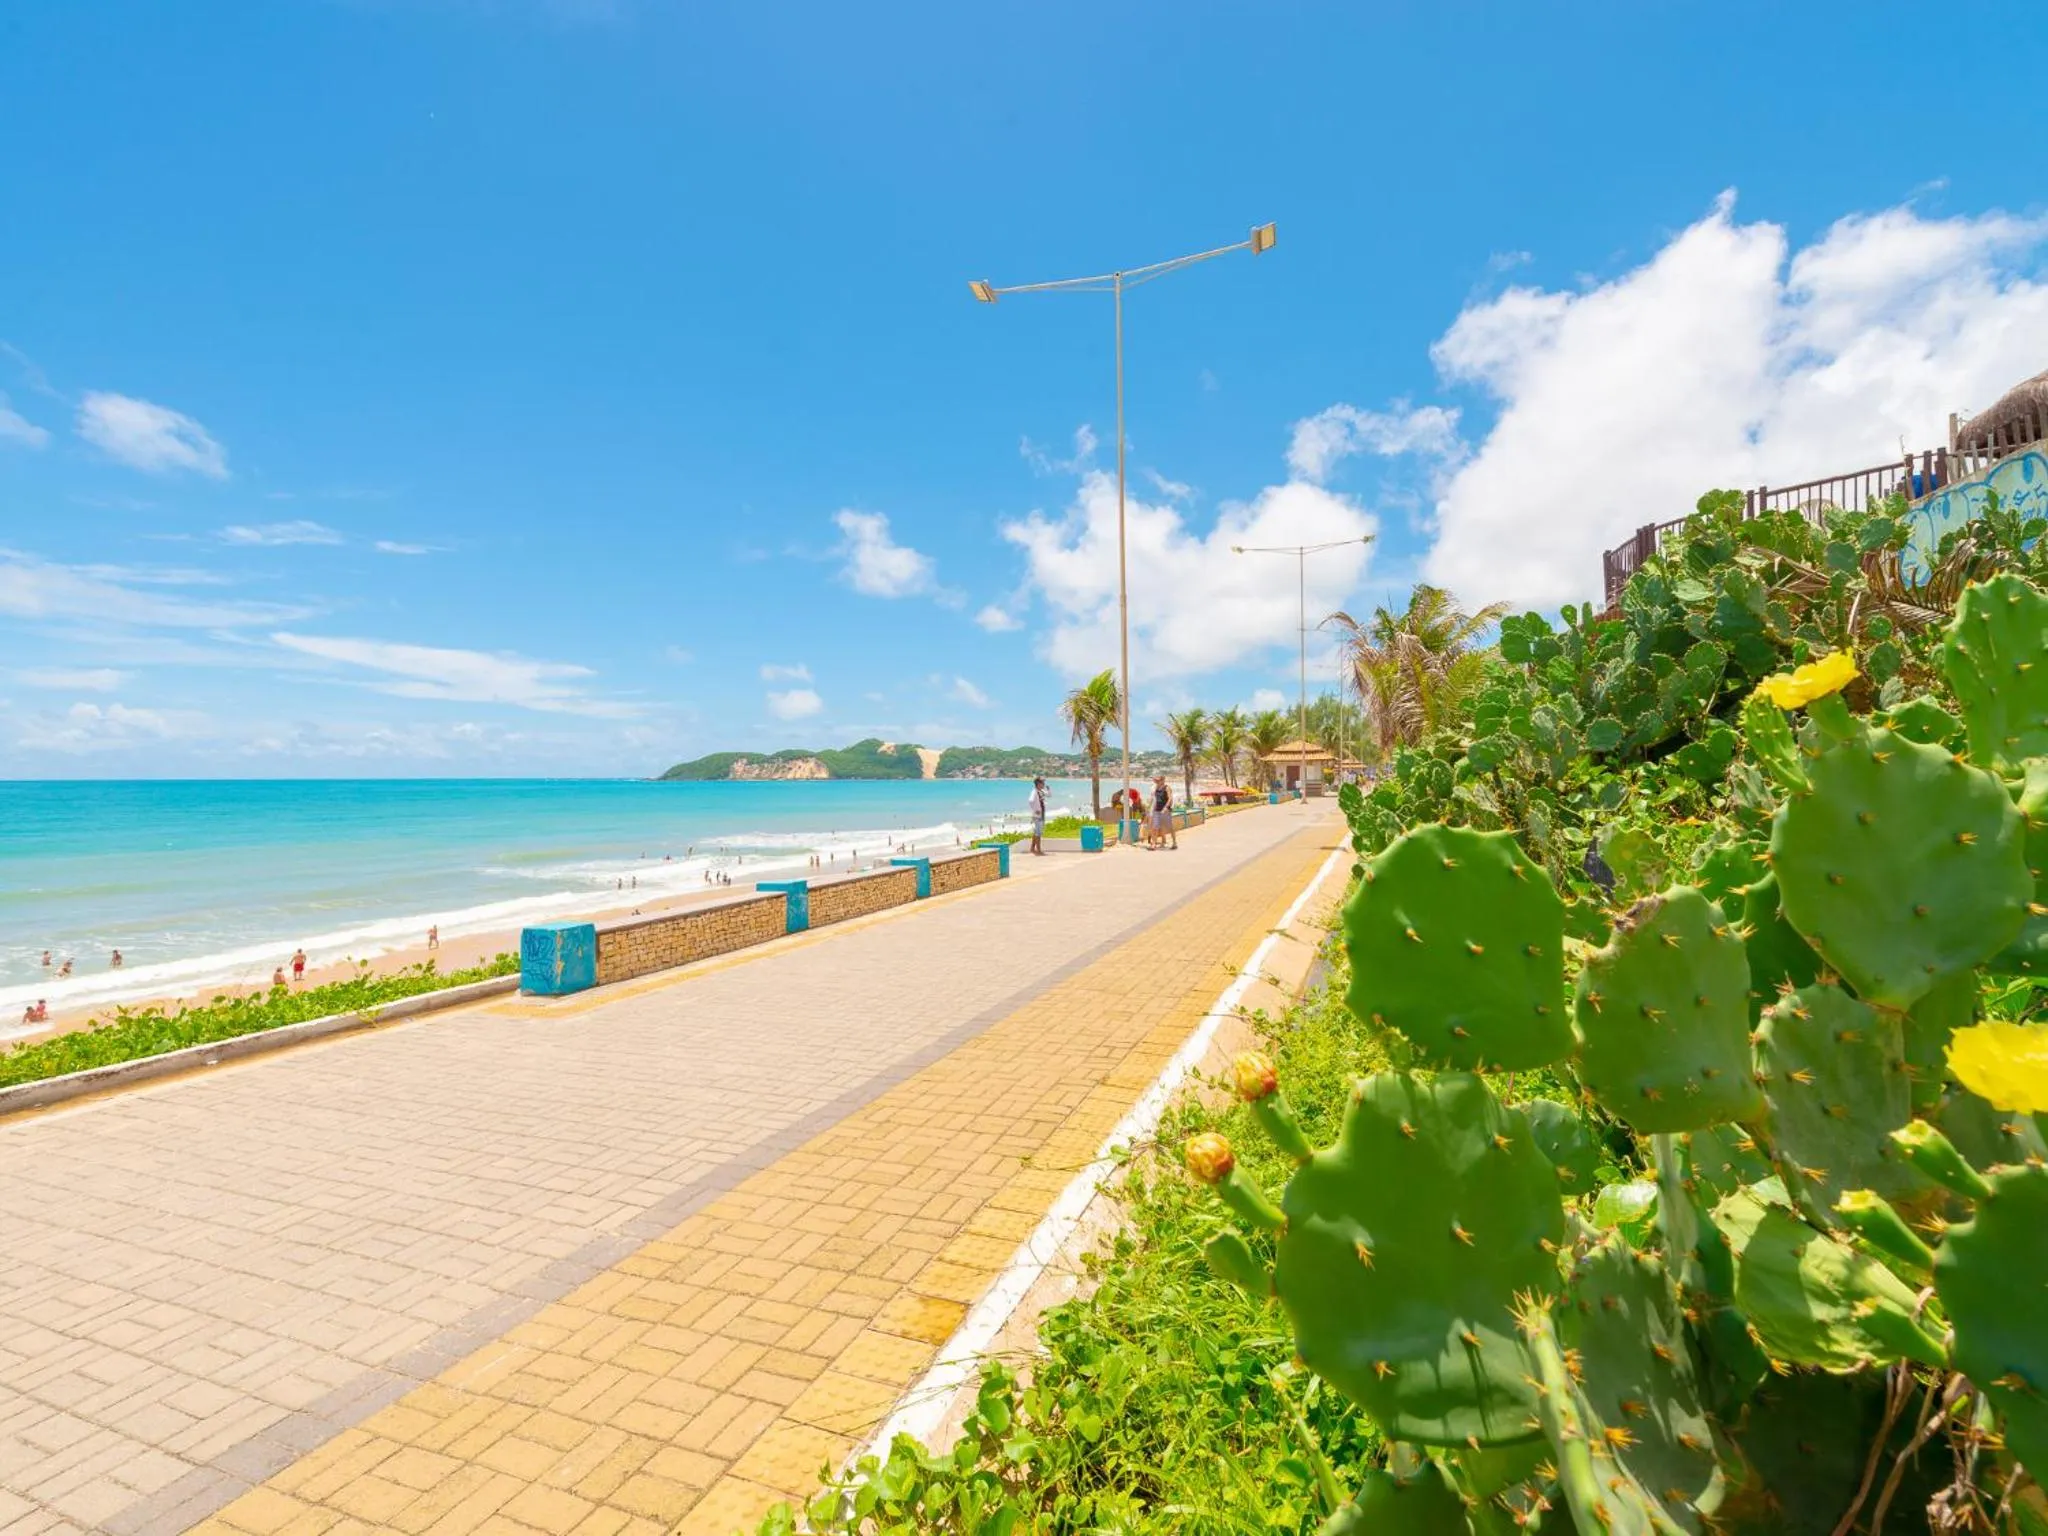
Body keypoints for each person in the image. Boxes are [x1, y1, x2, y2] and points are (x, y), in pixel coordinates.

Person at [1153, 774, 1177, 850]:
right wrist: (1153, 808)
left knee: (1170, 827)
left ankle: (1174, 843)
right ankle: (1153, 844)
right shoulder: (1156, 787)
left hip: (1165, 810)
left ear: (1163, 780)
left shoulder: (1167, 788)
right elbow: (1156, 799)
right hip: (1157, 810)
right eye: (1156, 780)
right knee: (1155, 827)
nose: (1157, 781)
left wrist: (1166, 808)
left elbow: (1170, 799)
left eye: (1158, 780)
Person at [1028, 776, 1049, 857]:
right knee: (1038, 832)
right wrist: (1035, 810)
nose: (1044, 784)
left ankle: (1032, 848)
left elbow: (1049, 795)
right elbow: (1030, 801)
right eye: (1042, 783)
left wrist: (1048, 789)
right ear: (1038, 784)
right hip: (1038, 815)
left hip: (1041, 813)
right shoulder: (1034, 792)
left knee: (1036, 832)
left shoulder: (1040, 791)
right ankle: (1038, 850)